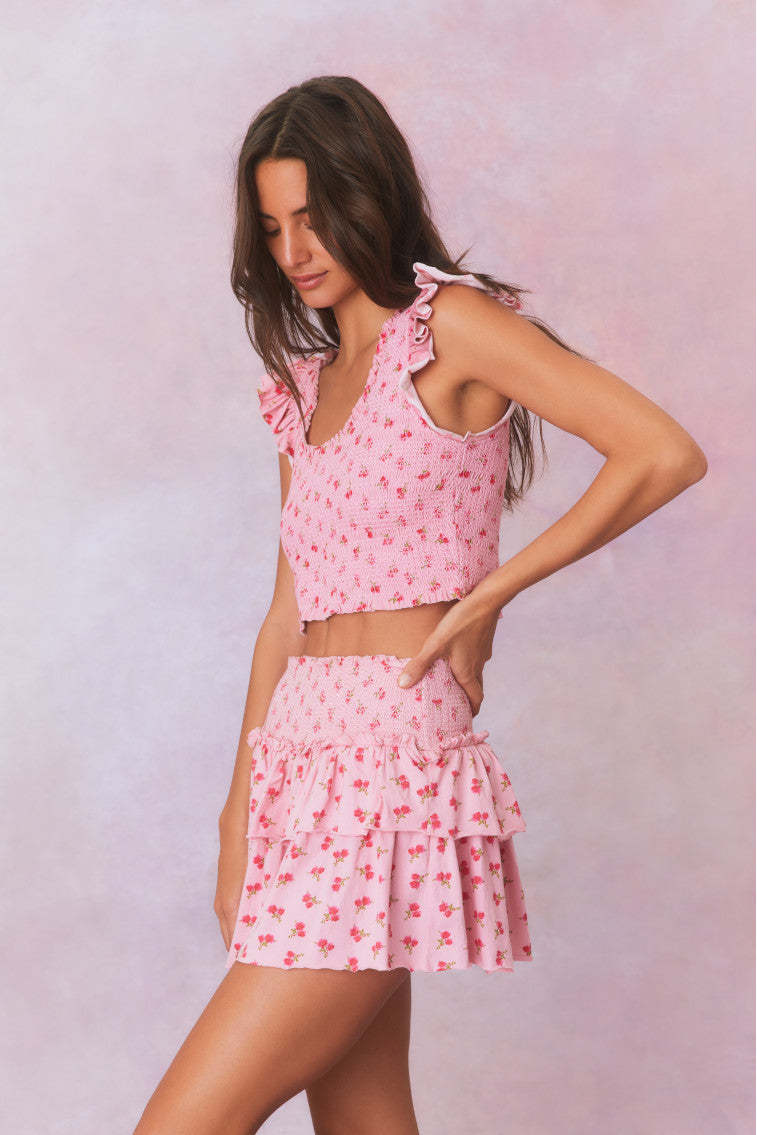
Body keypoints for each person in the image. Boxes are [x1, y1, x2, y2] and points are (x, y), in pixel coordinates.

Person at [133, 76, 708, 1135]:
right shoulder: (305, 384)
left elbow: (661, 452)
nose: (294, 249)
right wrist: (237, 812)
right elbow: (286, 612)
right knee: (363, 1119)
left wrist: (491, 593)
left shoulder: (452, 328)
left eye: (313, 216)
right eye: (272, 226)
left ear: (368, 195)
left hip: (393, 758)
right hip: (300, 761)